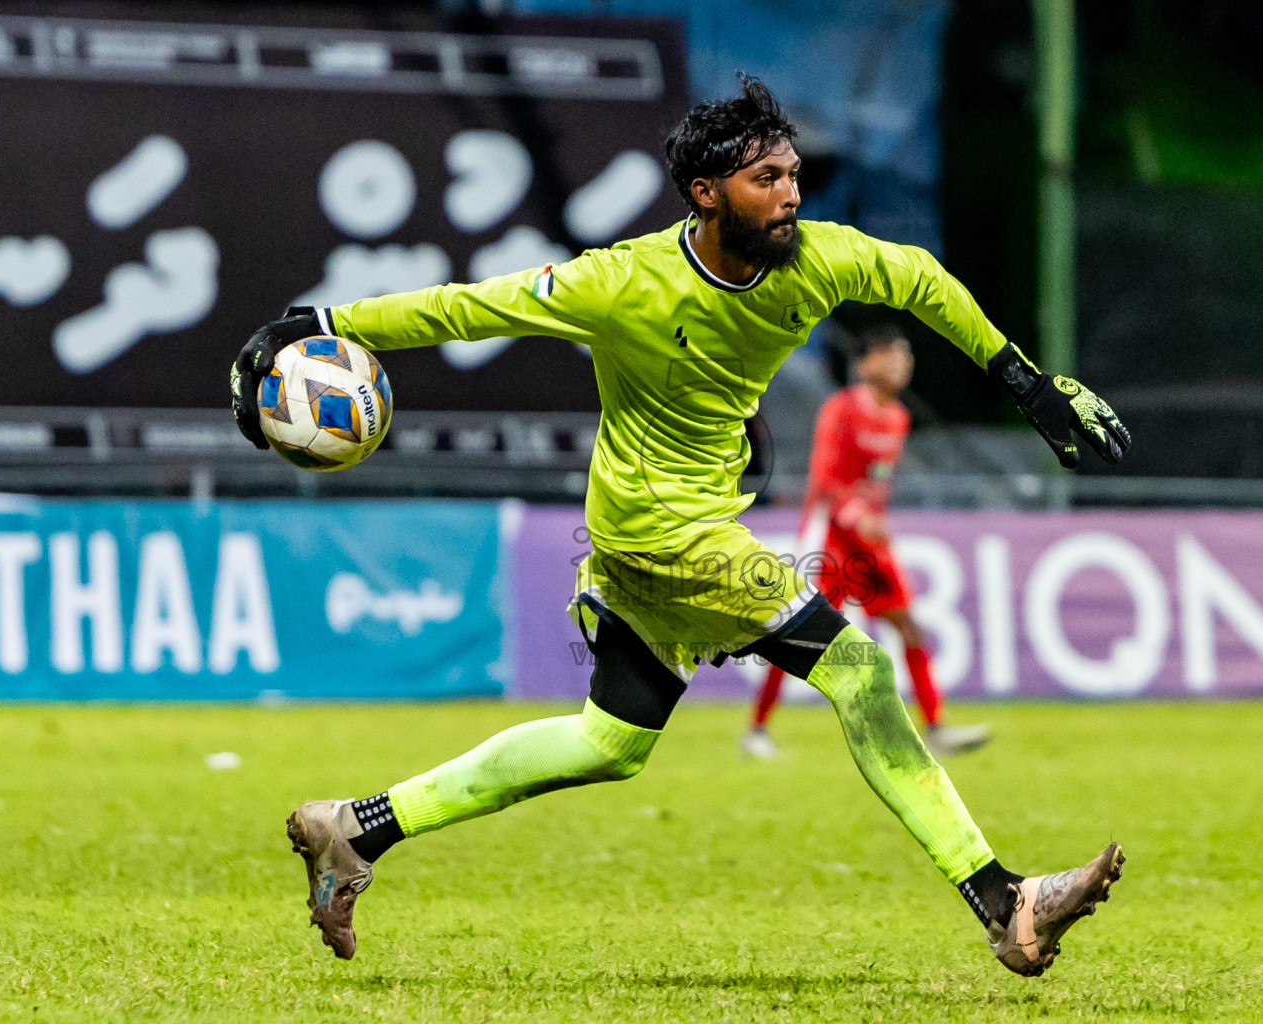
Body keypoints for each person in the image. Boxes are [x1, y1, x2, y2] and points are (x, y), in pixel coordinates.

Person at [230, 76, 1131, 978]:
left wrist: (1025, 381)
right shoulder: (622, 281)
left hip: (650, 540)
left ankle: (353, 829)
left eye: (791, 174)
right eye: (765, 179)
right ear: (706, 195)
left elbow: (925, 281)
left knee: (607, 743)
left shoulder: (820, 258)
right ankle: (1001, 899)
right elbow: (463, 306)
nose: (790, 195)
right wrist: (323, 322)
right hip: (669, 539)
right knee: (858, 668)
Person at [742, 323, 992, 759]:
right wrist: (857, 516)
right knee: (800, 639)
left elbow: (875, 482)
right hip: (833, 542)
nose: (901, 364)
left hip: (870, 544)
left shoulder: (897, 416)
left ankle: (936, 727)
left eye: (906, 356)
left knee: (909, 626)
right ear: (864, 363)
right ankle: (757, 730)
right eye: (891, 354)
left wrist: (870, 520)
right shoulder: (841, 409)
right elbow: (825, 479)